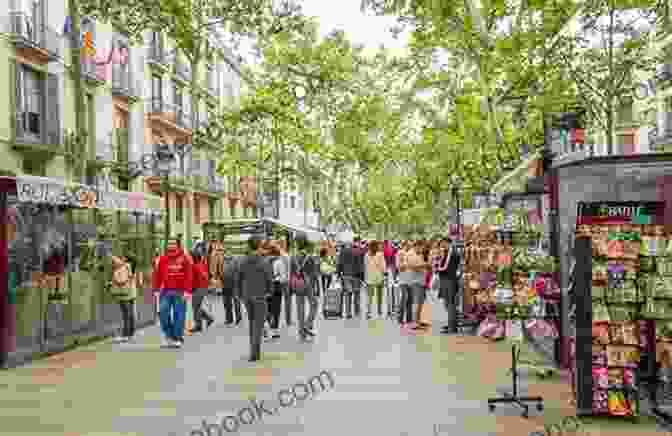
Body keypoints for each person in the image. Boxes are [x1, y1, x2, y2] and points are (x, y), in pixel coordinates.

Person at [235, 235, 273, 362]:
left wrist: (239, 293)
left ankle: (253, 350)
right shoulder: (264, 261)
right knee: (258, 325)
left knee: (252, 323)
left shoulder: (243, 260)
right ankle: (254, 353)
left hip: (247, 296)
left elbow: (239, 277)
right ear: (259, 245)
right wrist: (270, 291)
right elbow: (269, 278)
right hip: (260, 295)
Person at [152, 238, 193, 348]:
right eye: (169, 243)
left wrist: (188, 291)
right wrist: (156, 289)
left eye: (173, 243)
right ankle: (170, 336)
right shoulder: (163, 259)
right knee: (163, 313)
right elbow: (157, 275)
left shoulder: (185, 258)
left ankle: (177, 338)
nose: (170, 245)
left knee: (179, 316)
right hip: (165, 291)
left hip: (180, 292)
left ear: (178, 245)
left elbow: (189, 276)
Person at [292, 234, 319, 340]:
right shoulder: (310, 257)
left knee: (300, 308)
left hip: (297, 284)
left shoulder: (293, 257)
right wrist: (315, 286)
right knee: (314, 304)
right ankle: (307, 325)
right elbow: (314, 274)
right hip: (308, 285)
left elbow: (292, 272)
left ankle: (301, 332)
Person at [397, 240, 425, 326]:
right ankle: (401, 318)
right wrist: (407, 265)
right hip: (405, 280)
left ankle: (410, 319)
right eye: (407, 245)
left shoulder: (417, 254)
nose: (409, 246)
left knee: (411, 300)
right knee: (404, 299)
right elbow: (400, 267)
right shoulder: (402, 253)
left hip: (410, 279)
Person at [110, 254, 137, 342]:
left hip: (124, 293)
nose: (120, 259)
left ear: (126, 259)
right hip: (131, 292)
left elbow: (121, 280)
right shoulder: (131, 267)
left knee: (126, 314)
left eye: (122, 257)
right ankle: (130, 333)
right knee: (130, 314)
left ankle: (126, 334)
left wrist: (113, 281)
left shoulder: (124, 267)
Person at [337, 236, 365, 318]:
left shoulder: (343, 251)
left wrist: (338, 274)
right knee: (357, 294)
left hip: (346, 275)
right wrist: (362, 277)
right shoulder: (359, 251)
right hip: (356, 276)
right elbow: (361, 265)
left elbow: (339, 264)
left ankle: (348, 313)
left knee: (348, 294)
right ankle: (357, 311)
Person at [436, 237, 460, 334]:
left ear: (447, 243)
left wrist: (438, 268)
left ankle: (452, 327)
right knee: (448, 303)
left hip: (449, 279)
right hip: (447, 279)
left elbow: (446, 267)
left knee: (450, 304)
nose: (442, 245)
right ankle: (451, 324)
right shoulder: (449, 252)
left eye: (443, 243)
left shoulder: (452, 252)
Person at [190, 245, 214, 333]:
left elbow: (192, 279)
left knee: (195, 307)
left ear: (194, 257)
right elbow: (206, 276)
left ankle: (198, 325)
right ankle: (208, 319)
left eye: (191, 256)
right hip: (203, 288)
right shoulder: (202, 265)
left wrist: (190, 289)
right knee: (197, 307)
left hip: (197, 289)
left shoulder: (194, 266)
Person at [268, 241, 288, 339]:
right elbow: (283, 278)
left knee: (268, 308)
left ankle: (268, 327)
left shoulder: (264, 261)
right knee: (276, 309)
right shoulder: (279, 262)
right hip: (276, 287)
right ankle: (274, 330)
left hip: (266, 287)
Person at [365, 240, 385, 318]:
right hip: (379, 277)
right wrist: (384, 273)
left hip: (369, 277)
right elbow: (383, 266)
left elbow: (365, 266)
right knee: (379, 295)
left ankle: (368, 312)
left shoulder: (366, 255)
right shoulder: (380, 254)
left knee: (369, 296)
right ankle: (379, 311)